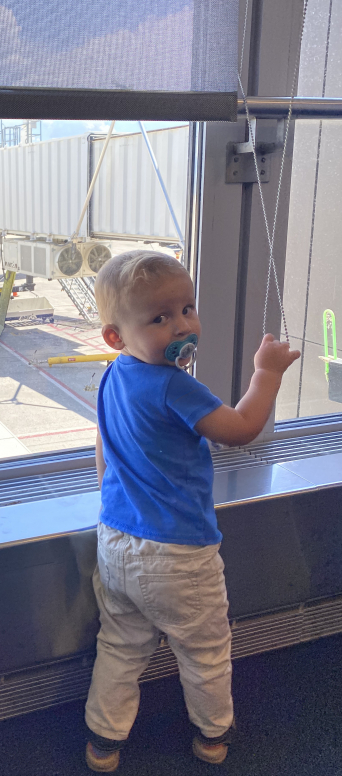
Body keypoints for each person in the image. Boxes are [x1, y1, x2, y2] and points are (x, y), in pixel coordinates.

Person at [85, 250, 300, 772]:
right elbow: (241, 431)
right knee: (204, 651)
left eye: (186, 309)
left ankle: (103, 742)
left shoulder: (114, 376)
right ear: (116, 336)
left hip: (116, 540)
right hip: (180, 556)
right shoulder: (174, 385)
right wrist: (265, 374)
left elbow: (103, 451)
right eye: (159, 318)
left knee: (120, 645)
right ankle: (212, 737)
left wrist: (120, 499)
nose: (181, 324)